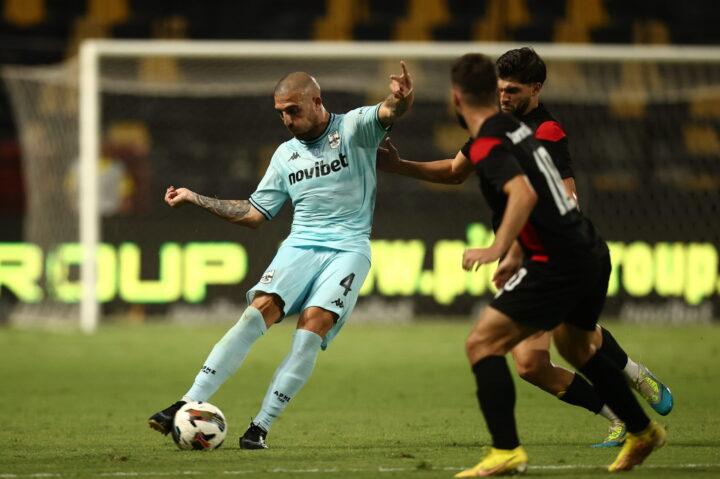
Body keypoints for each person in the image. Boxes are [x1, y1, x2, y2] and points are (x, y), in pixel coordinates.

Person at [377, 47, 672, 449]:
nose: (504, 97)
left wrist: (513, 246)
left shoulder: (545, 131)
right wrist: (399, 166)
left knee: (535, 342)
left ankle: (626, 399)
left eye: (513, 91)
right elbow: (454, 170)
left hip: (550, 253)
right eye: (500, 89)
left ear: (536, 88)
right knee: (536, 362)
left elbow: (564, 194)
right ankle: (628, 397)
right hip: (528, 251)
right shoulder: (494, 125)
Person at [148, 63, 413, 449]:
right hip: (299, 246)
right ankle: (186, 400)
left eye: (293, 110)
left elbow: (390, 110)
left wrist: (401, 98)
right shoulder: (285, 156)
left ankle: (259, 427)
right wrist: (194, 198)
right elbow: (254, 214)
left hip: (348, 250)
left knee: (310, 332)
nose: (287, 119)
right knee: (254, 314)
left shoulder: (355, 127)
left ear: (316, 101)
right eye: (281, 113)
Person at [451, 53, 665, 475]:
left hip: (556, 261)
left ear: (456, 99)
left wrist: (497, 248)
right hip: (589, 249)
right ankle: (642, 430)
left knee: (482, 343)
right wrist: (515, 253)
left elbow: (524, 195)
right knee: (576, 347)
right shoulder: (515, 129)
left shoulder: (491, 141)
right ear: (492, 93)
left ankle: (506, 451)